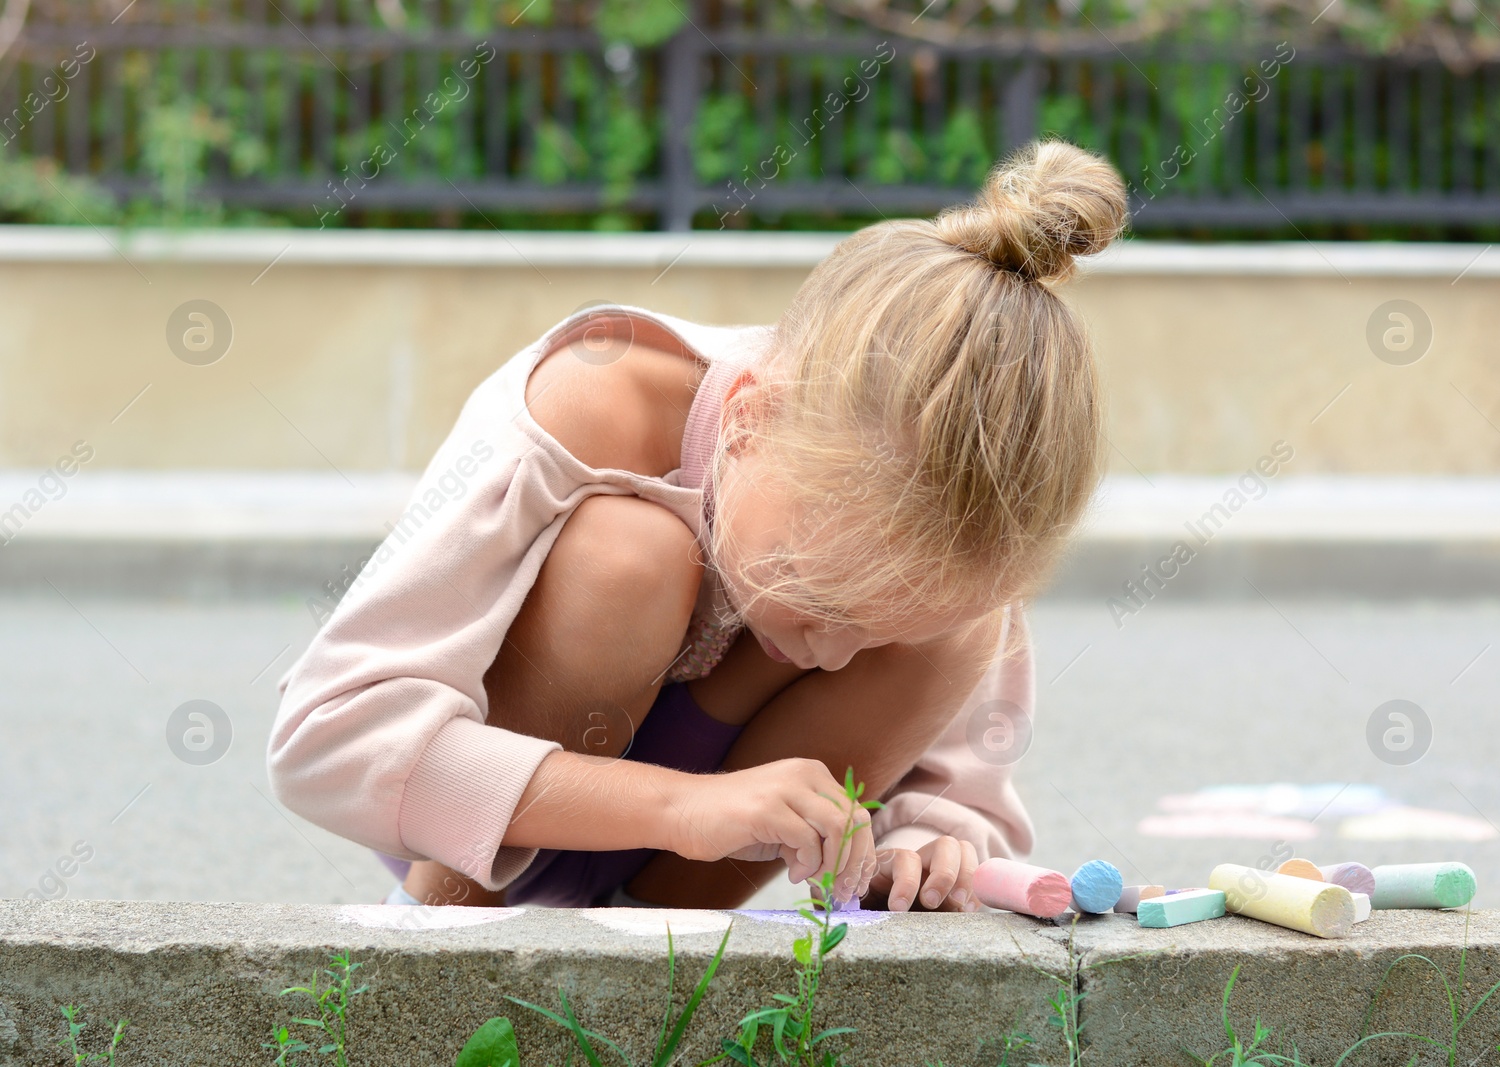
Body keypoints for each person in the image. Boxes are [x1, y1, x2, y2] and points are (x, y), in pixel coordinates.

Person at [266, 136, 1127, 913]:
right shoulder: (584, 401)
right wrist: (682, 808)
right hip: (482, 827)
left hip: (696, 855)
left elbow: (959, 798)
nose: (829, 659)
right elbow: (325, 742)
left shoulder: (951, 538)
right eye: (819, 597)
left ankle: (663, 969)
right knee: (630, 554)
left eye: (873, 635)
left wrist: (925, 843)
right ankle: (441, 940)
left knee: (959, 634)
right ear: (748, 420)